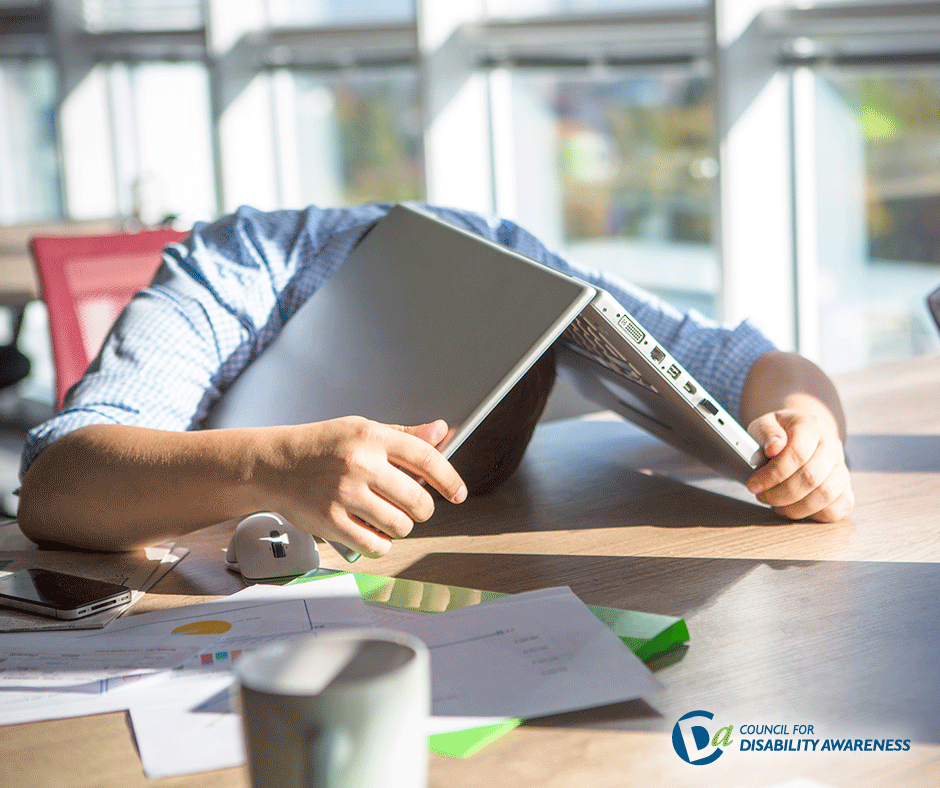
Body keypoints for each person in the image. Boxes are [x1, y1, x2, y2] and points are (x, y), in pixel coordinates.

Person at [16, 204, 853, 555]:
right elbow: (55, 483)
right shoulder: (238, 266)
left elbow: (756, 364)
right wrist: (270, 467)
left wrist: (807, 428)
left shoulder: (514, 266)